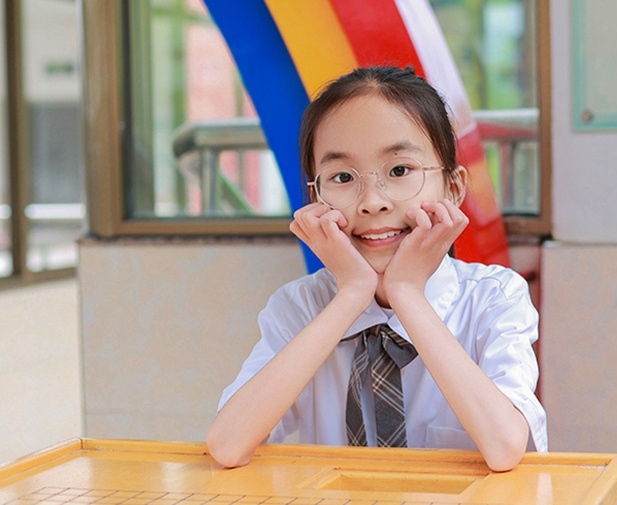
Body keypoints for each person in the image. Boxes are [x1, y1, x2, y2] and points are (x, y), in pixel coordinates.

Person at [206, 66, 547, 472]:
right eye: (342, 177)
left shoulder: (494, 297)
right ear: (315, 198)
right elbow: (227, 445)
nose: (372, 202)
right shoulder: (301, 306)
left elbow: (505, 447)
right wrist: (351, 294)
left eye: (399, 171)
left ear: (453, 188)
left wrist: (407, 295)